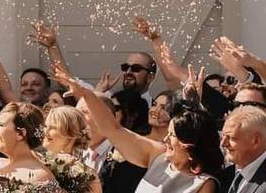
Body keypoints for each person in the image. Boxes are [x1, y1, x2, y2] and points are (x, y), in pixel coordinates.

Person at [54, 66, 222, 193]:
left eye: (172, 135)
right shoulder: (158, 157)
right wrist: (87, 94)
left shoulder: (205, 183)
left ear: (189, 143)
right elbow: (113, 130)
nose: (165, 139)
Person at [220, 106, 266, 193]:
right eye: (223, 136)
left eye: (232, 138)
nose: (223, 143)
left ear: (255, 141)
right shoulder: (227, 174)